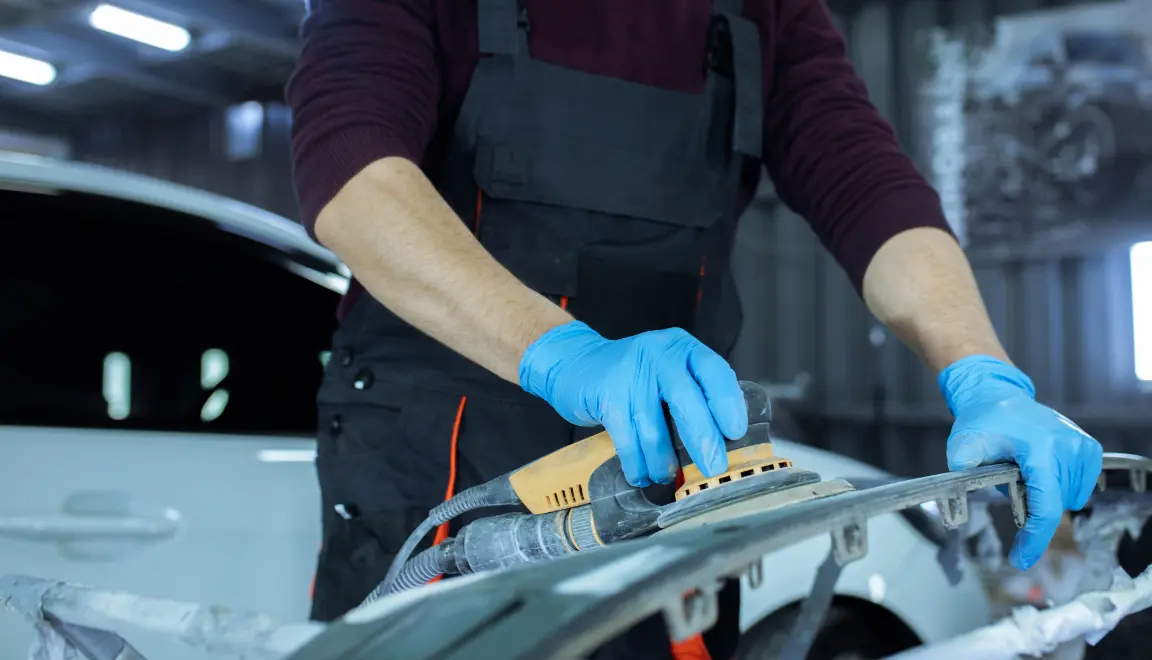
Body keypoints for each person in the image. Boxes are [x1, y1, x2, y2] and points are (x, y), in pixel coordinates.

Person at [287, 1, 1104, 657]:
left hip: (672, 477)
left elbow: (869, 188)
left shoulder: (764, 11)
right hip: (442, 462)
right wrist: (566, 354)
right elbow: (352, 172)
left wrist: (981, 370)